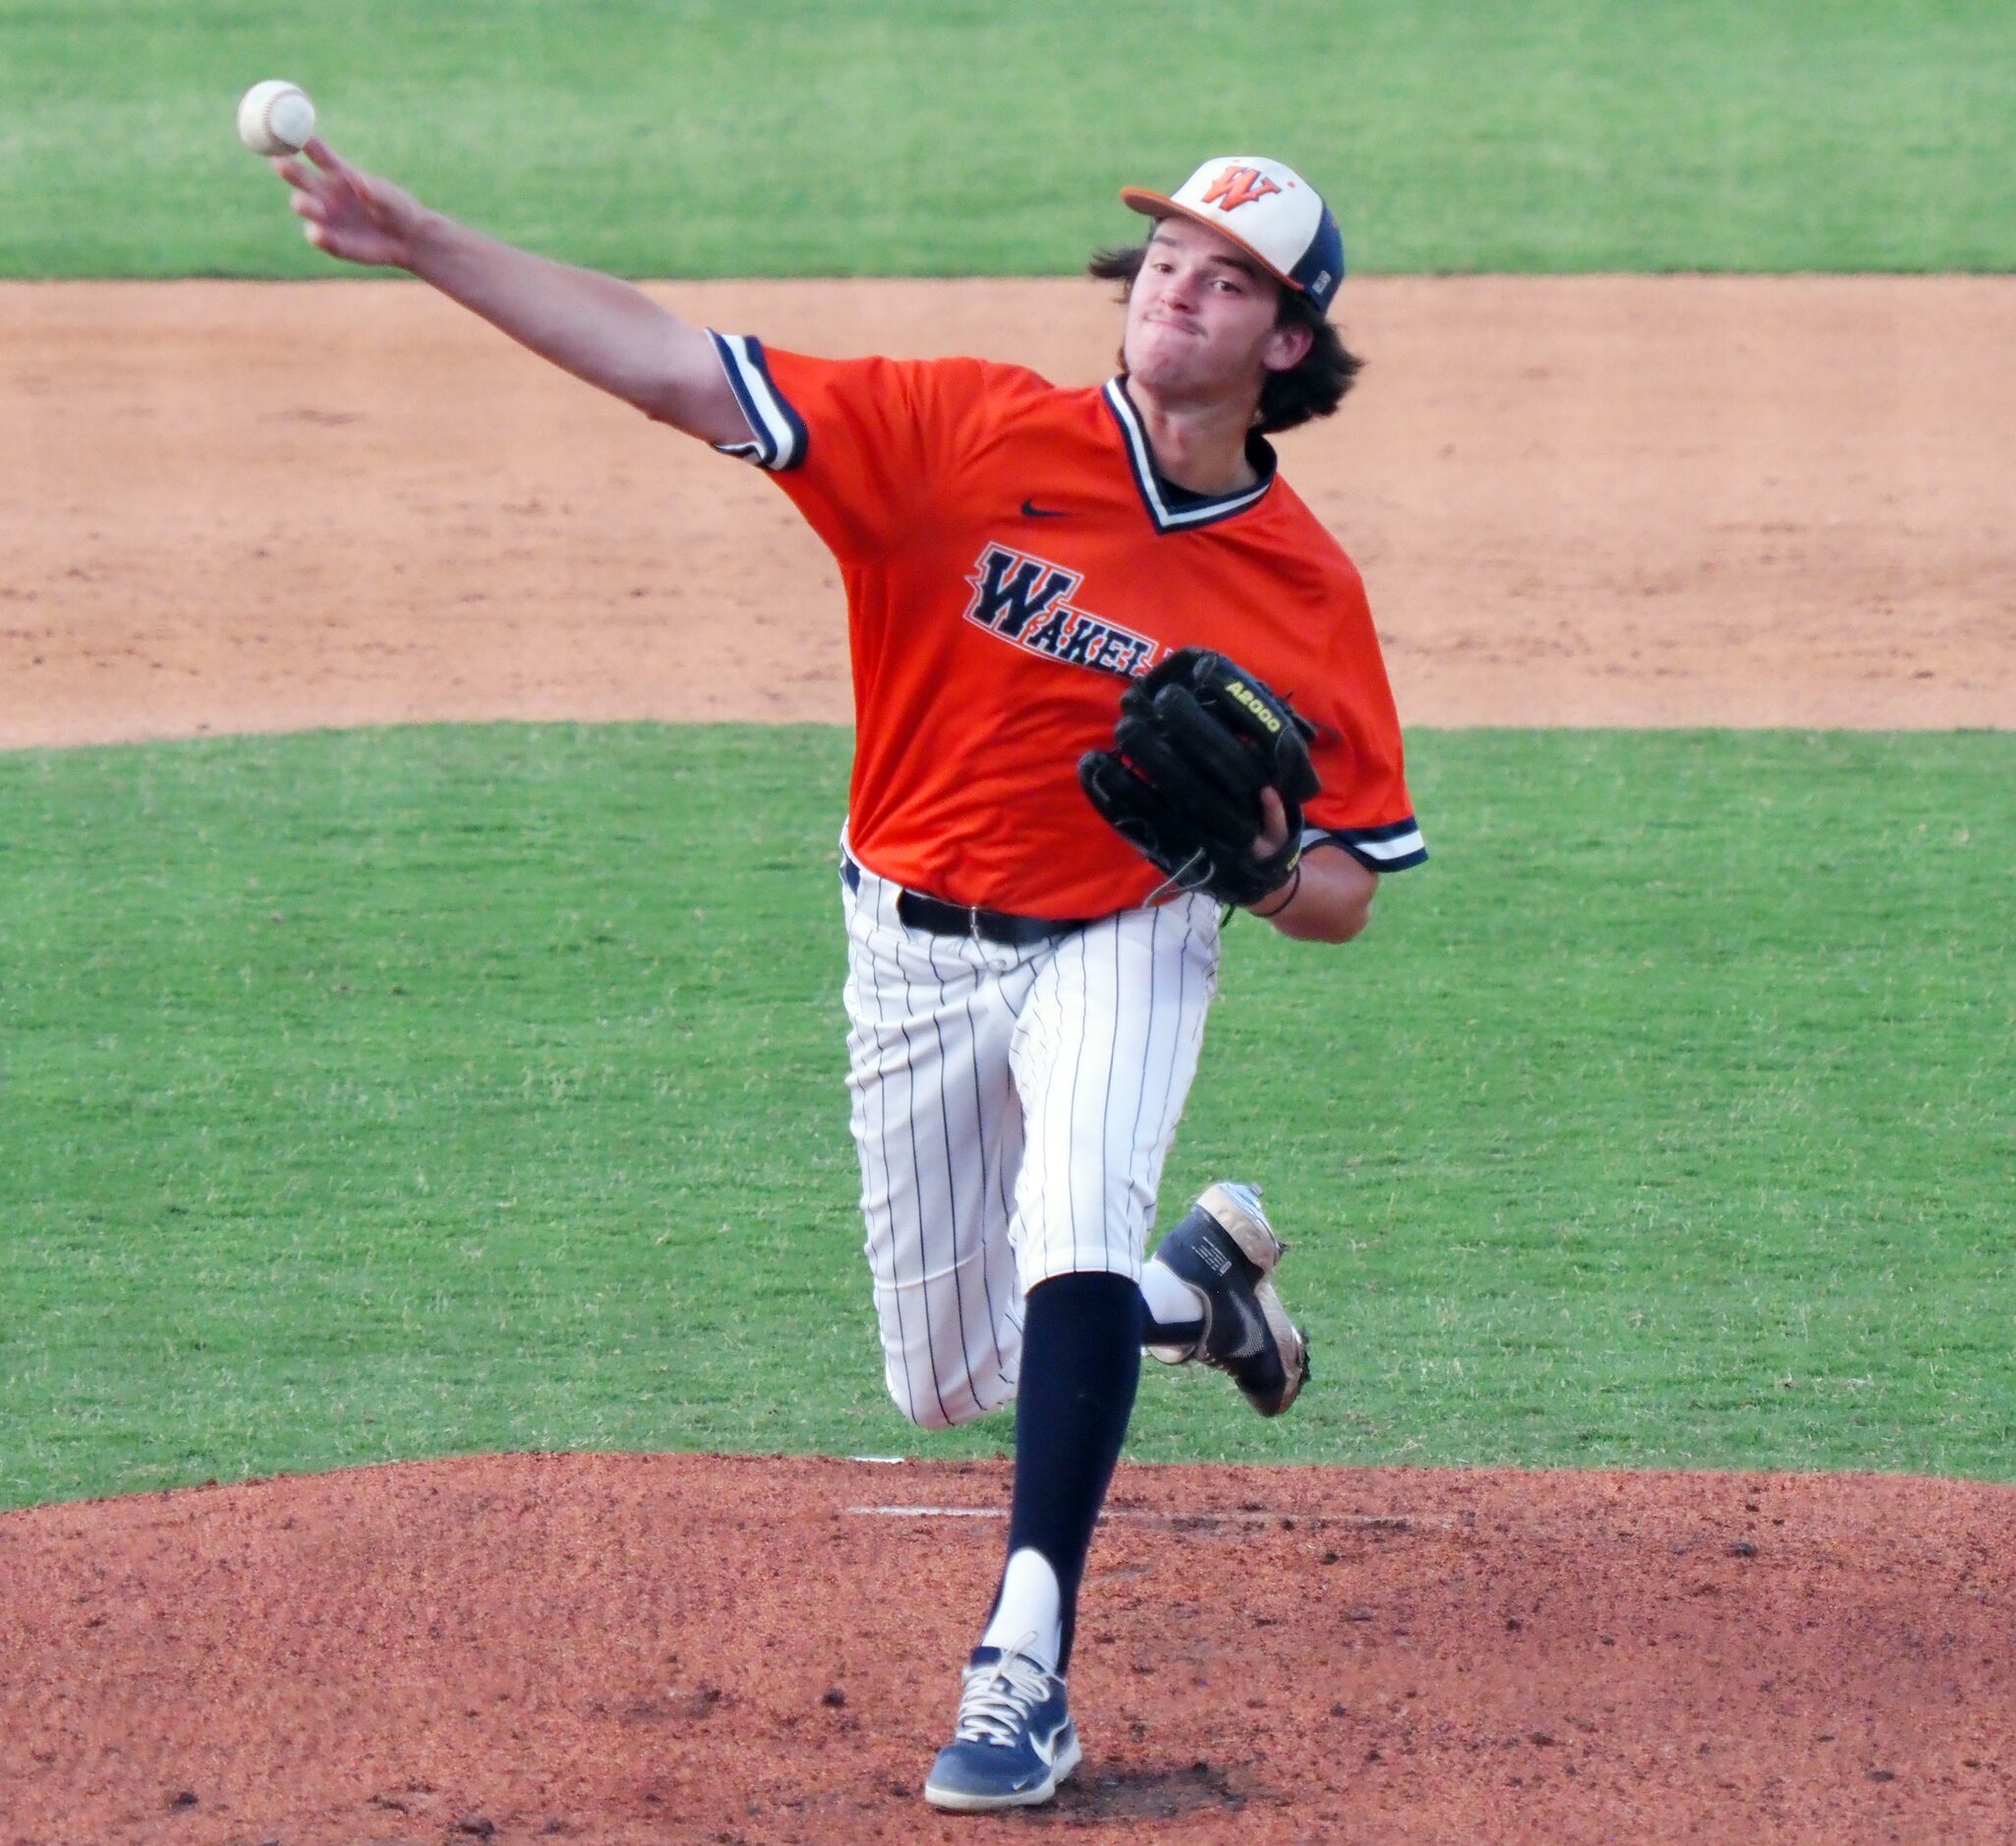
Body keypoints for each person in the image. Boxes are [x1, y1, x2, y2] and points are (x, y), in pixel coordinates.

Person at [268, 144, 1425, 1813]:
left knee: (1077, 1220)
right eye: (1167, 253)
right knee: (948, 1377)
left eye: (1229, 275)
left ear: (1290, 342)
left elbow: (1342, 895)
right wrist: (424, 241)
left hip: (1128, 929)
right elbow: (674, 365)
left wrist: (1251, 867)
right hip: (913, 943)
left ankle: (1024, 1665)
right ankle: (1201, 1300)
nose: (1179, 283)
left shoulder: (1306, 585)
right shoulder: (960, 436)